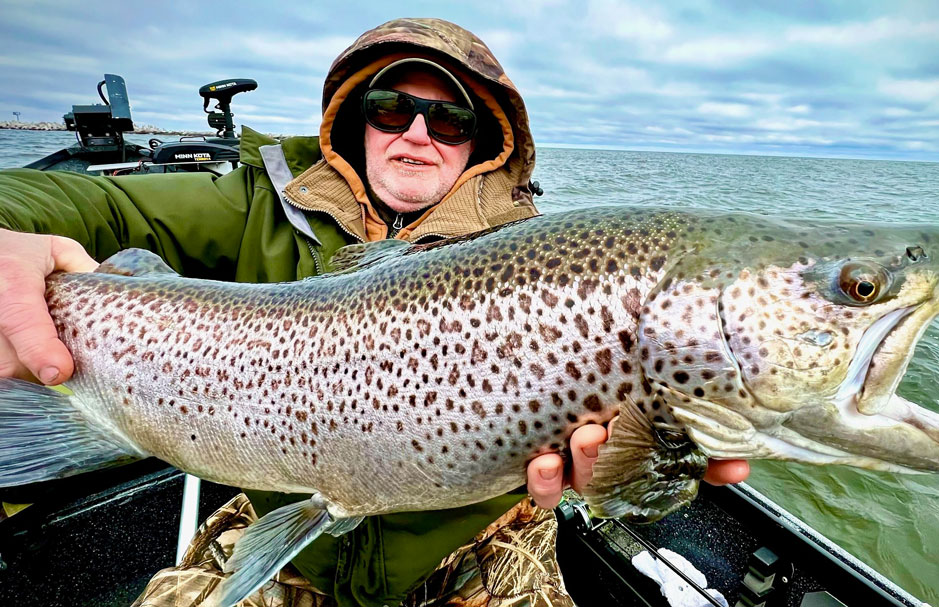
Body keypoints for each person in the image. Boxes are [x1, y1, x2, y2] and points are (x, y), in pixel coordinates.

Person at [0, 18, 749, 606]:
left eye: (450, 120)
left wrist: (636, 467)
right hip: (278, 520)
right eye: (392, 108)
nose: (417, 133)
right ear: (355, 118)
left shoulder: (537, 257)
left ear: (482, 142)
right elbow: (88, 200)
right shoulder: (260, 199)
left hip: (479, 545)